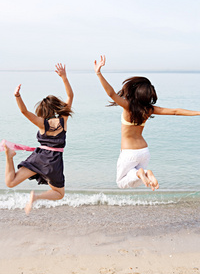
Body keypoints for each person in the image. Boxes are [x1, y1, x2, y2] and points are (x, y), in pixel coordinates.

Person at [94, 55, 200, 191]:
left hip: (129, 152)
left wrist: (98, 73)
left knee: (121, 182)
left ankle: (141, 173)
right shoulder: (149, 109)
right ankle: (145, 173)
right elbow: (175, 111)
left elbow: (111, 94)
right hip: (144, 151)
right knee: (137, 181)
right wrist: (198, 112)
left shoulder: (128, 106)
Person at [3, 63, 74, 214]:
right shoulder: (63, 120)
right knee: (59, 194)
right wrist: (64, 78)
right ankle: (36, 197)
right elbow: (70, 96)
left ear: (43, 110)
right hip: (53, 163)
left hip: (39, 158)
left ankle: (9, 157)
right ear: (56, 107)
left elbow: (24, 111)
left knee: (10, 182)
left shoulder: (42, 123)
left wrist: (17, 95)